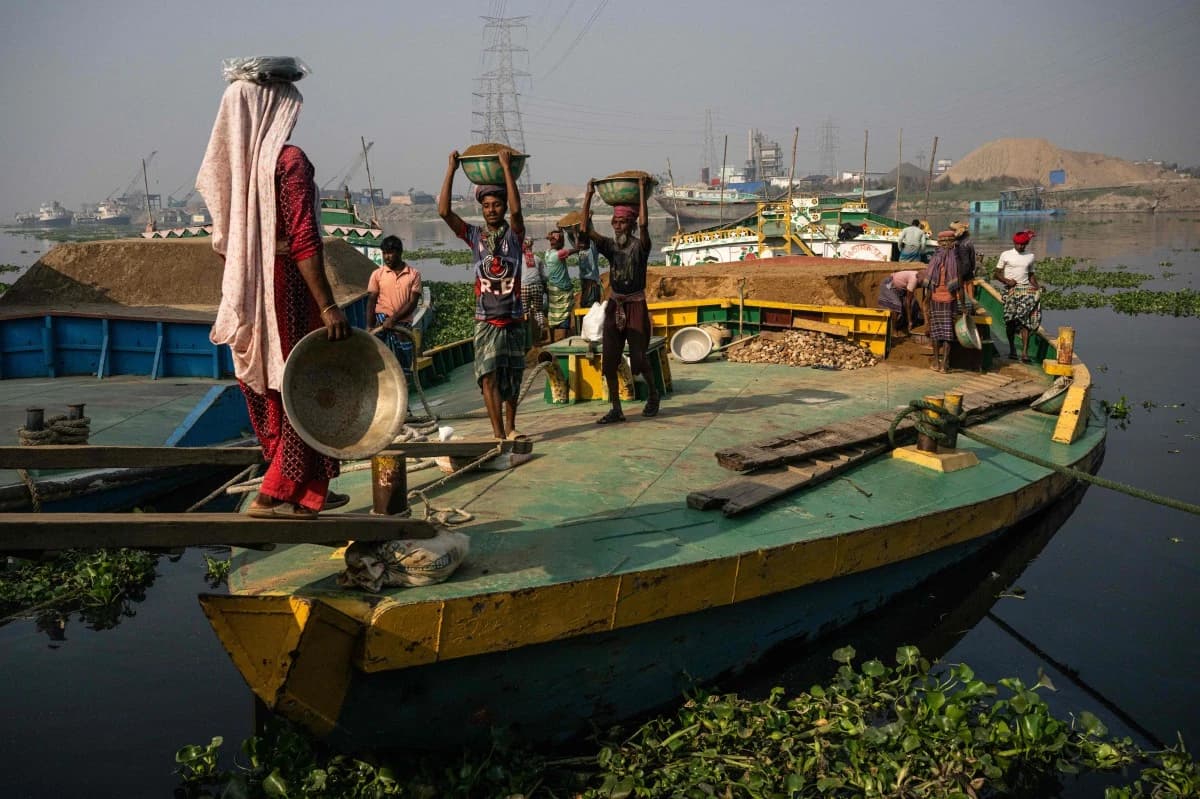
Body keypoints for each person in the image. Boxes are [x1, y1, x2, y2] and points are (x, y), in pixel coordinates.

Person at [196, 56, 350, 519]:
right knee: (305, 384)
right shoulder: (289, 162)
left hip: (253, 287)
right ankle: (271, 496)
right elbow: (305, 240)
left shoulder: (238, 177)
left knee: (275, 390)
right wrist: (327, 306)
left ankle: (310, 493)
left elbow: (228, 242)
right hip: (290, 292)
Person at [437, 149, 525, 440]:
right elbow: (444, 212)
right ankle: (498, 435)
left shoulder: (514, 234)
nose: (491, 210)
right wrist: (450, 169)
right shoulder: (474, 236)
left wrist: (505, 169)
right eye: (486, 205)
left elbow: (517, 211)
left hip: (512, 318)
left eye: (496, 204)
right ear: (482, 209)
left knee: (512, 378)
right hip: (485, 320)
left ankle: (511, 429)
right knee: (488, 377)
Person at [580, 175, 659, 423]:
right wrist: (589, 194)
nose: (618, 226)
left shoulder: (641, 246)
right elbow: (585, 230)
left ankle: (653, 395)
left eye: (624, 222)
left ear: (632, 225)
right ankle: (616, 409)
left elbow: (645, 225)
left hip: (635, 305)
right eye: (615, 222)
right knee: (609, 361)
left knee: (638, 358)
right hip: (615, 306)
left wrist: (642, 190)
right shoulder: (611, 247)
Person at [366, 235, 422, 375]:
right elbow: (372, 301)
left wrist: (394, 319)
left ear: (400, 252)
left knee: (404, 359)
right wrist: (370, 325)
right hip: (381, 320)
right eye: (384, 253)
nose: (387, 257)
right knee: (373, 353)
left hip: (402, 323)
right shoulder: (377, 274)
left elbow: (412, 303)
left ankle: (405, 380)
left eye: (390, 253)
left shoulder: (413, 275)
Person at [993, 229, 1042, 362]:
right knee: (1010, 322)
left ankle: (1025, 353)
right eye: (1018, 244)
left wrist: (1038, 288)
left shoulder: (1030, 256)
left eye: (1023, 245)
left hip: (1025, 291)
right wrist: (1007, 281)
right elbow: (996, 274)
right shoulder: (1006, 255)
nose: (1020, 247)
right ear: (1014, 243)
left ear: (1026, 244)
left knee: (1025, 322)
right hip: (1010, 291)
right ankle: (1012, 349)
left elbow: (1031, 275)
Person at [922, 230, 965, 373]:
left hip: (935, 299)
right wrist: (963, 306)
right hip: (949, 301)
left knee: (936, 333)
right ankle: (945, 364)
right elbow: (959, 285)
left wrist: (927, 302)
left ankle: (936, 361)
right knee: (948, 334)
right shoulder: (955, 260)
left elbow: (929, 283)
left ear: (939, 243)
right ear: (953, 243)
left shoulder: (934, 259)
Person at [544, 228, 582, 342]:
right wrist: (574, 234)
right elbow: (577, 248)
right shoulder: (560, 254)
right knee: (565, 313)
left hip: (552, 287)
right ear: (560, 242)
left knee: (553, 312)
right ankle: (565, 339)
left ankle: (552, 340)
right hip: (563, 288)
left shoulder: (547, 253)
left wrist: (558, 232)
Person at [877, 268, 924, 336]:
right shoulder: (914, 280)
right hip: (890, 285)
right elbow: (908, 302)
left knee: (914, 303)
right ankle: (894, 330)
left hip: (900, 288)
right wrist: (910, 321)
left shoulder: (923, 278)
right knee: (897, 305)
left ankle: (903, 326)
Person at [521, 237, 548, 345]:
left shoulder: (519, 259)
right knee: (539, 310)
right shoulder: (538, 258)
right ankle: (541, 329)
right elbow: (543, 276)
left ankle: (527, 336)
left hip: (524, 287)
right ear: (531, 246)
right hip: (537, 287)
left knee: (525, 311)